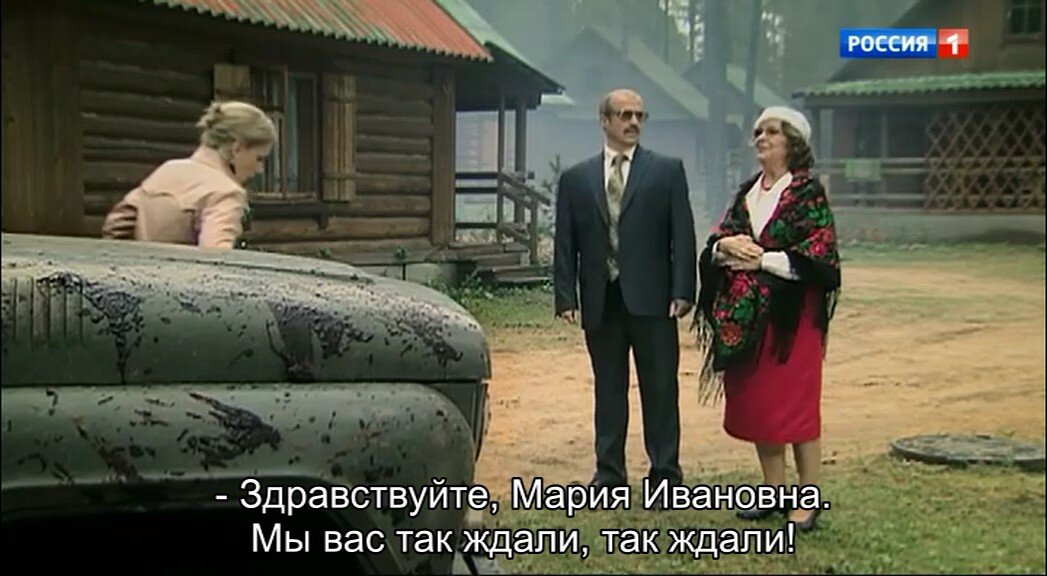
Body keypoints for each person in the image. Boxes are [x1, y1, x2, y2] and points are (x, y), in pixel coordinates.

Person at [692, 106, 841, 531]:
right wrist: (724, 248)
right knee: (762, 407)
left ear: (793, 142)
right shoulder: (748, 193)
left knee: (796, 408)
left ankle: (807, 501)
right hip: (748, 322)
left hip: (792, 321)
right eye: (758, 131)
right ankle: (773, 492)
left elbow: (821, 257)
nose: (761, 137)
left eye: (771, 131)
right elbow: (719, 239)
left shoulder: (807, 193)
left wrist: (763, 260)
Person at [553, 88, 697, 493]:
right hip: (602, 301)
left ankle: (665, 474)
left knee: (660, 389)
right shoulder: (577, 179)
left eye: (639, 115)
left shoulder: (666, 171)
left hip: (654, 301)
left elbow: (683, 235)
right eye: (624, 115)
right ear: (604, 120)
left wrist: (684, 290)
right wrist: (566, 296)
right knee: (608, 391)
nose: (633, 122)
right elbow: (565, 241)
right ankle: (609, 475)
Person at [102, 100, 277, 249]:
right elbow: (216, 258)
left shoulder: (167, 171)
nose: (259, 169)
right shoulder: (226, 193)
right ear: (237, 148)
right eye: (259, 158)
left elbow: (115, 226)